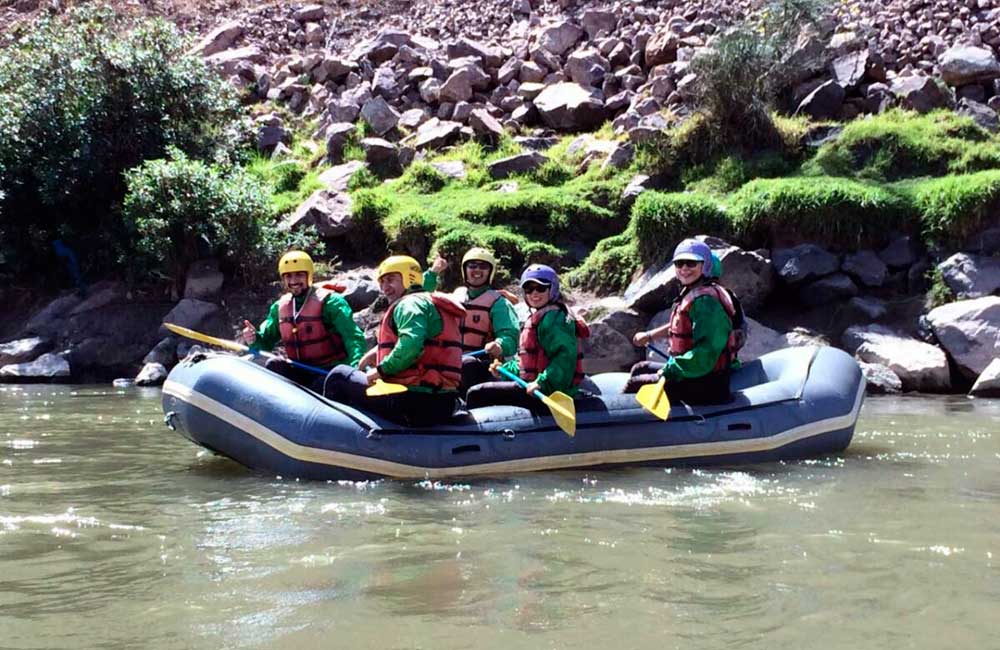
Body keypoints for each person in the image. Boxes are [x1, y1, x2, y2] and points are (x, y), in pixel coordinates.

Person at [321, 255, 466, 426]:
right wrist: (374, 353)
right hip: (443, 401)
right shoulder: (428, 302)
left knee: (339, 376)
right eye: (382, 282)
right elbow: (424, 340)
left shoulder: (409, 305)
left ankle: (333, 437)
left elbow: (411, 345)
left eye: (391, 280)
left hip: (412, 401)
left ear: (409, 279)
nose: (385, 287)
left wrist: (381, 370)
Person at [624, 239, 740, 404]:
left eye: (691, 263)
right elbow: (681, 326)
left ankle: (622, 425)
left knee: (636, 384)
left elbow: (705, 354)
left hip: (707, 382)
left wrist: (670, 370)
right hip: (695, 373)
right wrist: (650, 336)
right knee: (639, 368)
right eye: (679, 263)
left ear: (705, 265)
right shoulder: (695, 293)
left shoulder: (707, 303)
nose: (684, 268)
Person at [466, 264, 590, 412]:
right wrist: (505, 369)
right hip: (534, 385)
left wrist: (542, 383)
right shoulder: (541, 316)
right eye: (528, 289)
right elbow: (527, 363)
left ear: (553, 289)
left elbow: (564, 357)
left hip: (550, 391)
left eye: (541, 288)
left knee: (477, 394)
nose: (534, 293)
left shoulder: (555, 319)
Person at [240, 250, 366, 387]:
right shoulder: (279, 308)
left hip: (329, 371)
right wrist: (253, 339)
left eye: (299, 275)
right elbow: (265, 343)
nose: (293, 281)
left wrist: (354, 369)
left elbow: (353, 338)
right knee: (273, 365)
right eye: (288, 276)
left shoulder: (331, 303)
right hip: (299, 370)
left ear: (309, 276)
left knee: (319, 384)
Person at [425, 248, 520, 393]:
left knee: (466, 364)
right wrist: (433, 272)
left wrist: (499, 345)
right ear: (465, 270)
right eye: (472, 266)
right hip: (452, 360)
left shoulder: (499, 303)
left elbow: (510, 336)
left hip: (483, 363)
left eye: (483, 266)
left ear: (490, 272)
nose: (477, 270)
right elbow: (420, 297)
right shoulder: (455, 297)